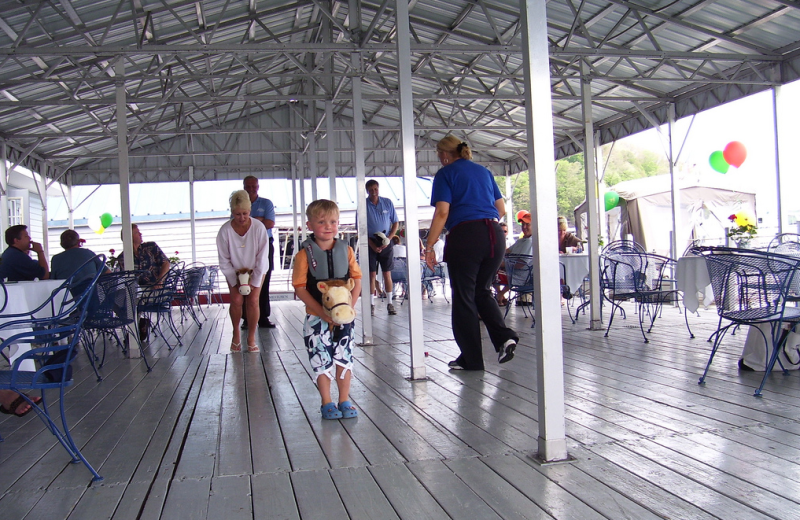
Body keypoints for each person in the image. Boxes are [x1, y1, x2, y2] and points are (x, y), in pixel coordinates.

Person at [426, 135, 519, 370]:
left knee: (464, 297)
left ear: (445, 155)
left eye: (439, 154)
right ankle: (504, 337)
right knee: (481, 291)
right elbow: (501, 209)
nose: (439, 158)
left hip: (466, 236)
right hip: (494, 235)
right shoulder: (484, 172)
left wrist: (429, 245)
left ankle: (472, 359)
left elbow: (442, 213)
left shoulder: (446, 174)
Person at [292, 199, 362, 420]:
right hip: (316, 317)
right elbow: (300, 288)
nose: (328, 226)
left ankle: (344, 399)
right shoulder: (304, 255)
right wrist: (322, 313)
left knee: (344, 356)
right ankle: (326, 401)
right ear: (309, 225)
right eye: (321, 222)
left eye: (333, 221)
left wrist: (349, 308)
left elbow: (357, 280)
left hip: (344, 318)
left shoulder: (346, 250)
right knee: (320, 357)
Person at [217, 190, 269, 353]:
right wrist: (235, 280)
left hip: (256, 269)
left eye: (245, 213)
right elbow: (224, 260)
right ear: (232, 212)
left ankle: (251, 337)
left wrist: (253, 282)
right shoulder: (224, 231)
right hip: (235, 269)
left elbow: (262, 257)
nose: (241, 218)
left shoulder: (259, 227)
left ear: (250, 211)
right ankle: (236, 333)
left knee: (253, 300)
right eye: (237, 214)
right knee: (237, 300)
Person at [242, 175, 277, 328]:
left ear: (258, 186)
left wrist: (251, 221)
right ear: (244, 187)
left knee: (264, 280)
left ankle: (263, 318)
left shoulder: (266, 203)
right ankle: (246, 319)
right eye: (248, 186)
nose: (251, 189)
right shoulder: (239, 203)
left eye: (253, 186)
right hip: (244, 247)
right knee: (244, 281)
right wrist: (259, 220)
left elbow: (270, 223)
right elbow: (236, 225)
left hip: (265, 245)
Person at [365, 179, 399, 316]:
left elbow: (395, 222)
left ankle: (390, 303)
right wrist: (372, 245)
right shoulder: (364, 205)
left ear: (378, 189)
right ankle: (371, 304)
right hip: (370, 241)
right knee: (372, 274)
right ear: (367, 191)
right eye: (371, 189)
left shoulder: (387, 202)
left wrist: (388, 240)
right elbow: (360, 228)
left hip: (386, 240)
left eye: (376, 189)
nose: (374, 192)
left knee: (387, 273)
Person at [494, 211, 533, 305]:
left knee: (487, 272)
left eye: (527, 224)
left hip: (519, 276)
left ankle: (498, 296)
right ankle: (500, 296)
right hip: (511, 273)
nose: (524, 227)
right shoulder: (522, 241)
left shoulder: (530, 242)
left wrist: (498, 263)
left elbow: (520, 264)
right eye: (523, 224)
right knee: (489, 270)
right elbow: (506, 252)